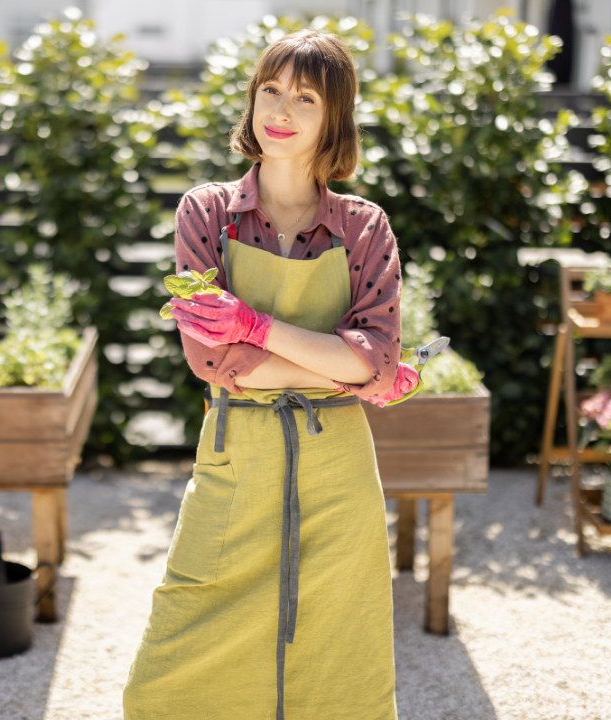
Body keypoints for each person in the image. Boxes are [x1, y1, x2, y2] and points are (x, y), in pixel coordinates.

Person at [124, 29, 403, 720]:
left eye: (305, 97)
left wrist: (256, 330)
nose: (280, 109)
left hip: (338, 473)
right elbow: (211, 363)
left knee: (338, 663)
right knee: (170, 671)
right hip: (235, 457)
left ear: (333, 118)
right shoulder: (207, 213)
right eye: (269, 90)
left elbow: (378, 361)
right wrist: (336, 365)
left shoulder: (364, 229)